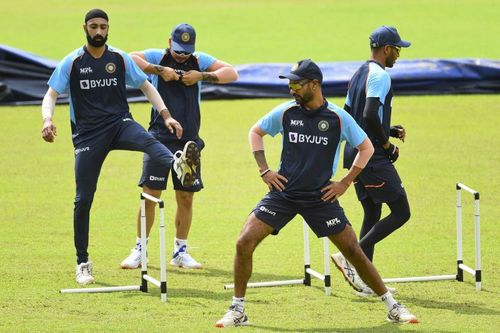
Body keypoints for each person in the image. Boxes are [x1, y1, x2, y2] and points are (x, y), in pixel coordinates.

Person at [215, 59, 418, 327]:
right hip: (283, 194)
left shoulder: (337, 117)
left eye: (296, 85)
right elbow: (256, 132)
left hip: (320, 198)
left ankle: (393, 307)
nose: (292, 90)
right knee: (244, 242)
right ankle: (237, 310)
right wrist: (265, 170)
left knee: (354, 251)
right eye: (289, 85)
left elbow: (366, 148)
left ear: (314, 84)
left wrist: (345, 182)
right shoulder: (287, 112)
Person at [40, 9, 198, 285]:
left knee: (151, 141)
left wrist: (166, 115)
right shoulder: (73, 61)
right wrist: (47, 120)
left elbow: (147, 86)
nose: (98, 31)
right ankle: (83, 263)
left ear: (108, 29)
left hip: (120, 123)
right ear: (85, 28)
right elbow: (52, 93)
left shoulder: (119, 58)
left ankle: (178, 164)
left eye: (103, 27)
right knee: (83, 199)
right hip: (88, 135)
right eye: (93, 27)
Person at [120, 23, 238, 270]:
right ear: (169, 41)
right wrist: (161, 70)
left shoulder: (199, 60)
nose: (182, 55)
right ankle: (140, 249)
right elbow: (131, 59)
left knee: (185, 196)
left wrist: (202, 76)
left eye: (187, 51)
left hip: (190, 141)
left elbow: (231, 73)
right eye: (179, 50)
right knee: (150, 195)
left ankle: (180, 251)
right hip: (158, 138)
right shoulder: (158, 57)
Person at [331, 25, 412, 297]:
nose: (399, 55)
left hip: (354, 152)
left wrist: (387, 129)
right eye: (397, 49)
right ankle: (349, 258)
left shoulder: (358, 74)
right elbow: (368, 113)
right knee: (402, 212)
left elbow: (348, 115)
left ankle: (365, 278)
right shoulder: (380, 76)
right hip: (371, 156)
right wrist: (387, 145)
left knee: (372, 213)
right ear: (386, 49)